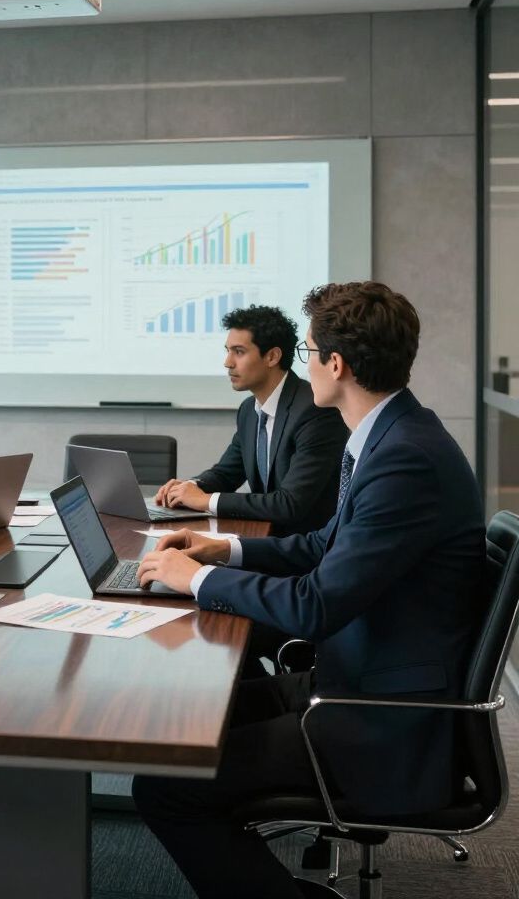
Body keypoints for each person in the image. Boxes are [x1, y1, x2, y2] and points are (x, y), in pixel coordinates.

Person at [133, 281, 486, 899]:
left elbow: (317, 604)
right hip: (361, 677)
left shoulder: (405, 457)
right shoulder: (392, 435)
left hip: (382, 719)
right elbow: (326, 544)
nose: (305, 363)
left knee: (164, 788)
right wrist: (226, 549)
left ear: (337, 365)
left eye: (308, 350)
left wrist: (200, 581)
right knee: (202, 714)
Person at [154, 304, 346, 536]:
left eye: (239, 352)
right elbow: (226, 474)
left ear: (272, 356)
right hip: (265, 538)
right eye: (227, 350)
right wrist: (189, 487)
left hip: (306, 549)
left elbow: (289, 504)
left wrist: (205, 501)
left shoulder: (315, 411)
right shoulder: (249, 410)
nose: (228, 362)